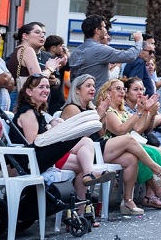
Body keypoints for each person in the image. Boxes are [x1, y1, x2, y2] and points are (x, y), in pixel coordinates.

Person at [13, 74, 114, 213]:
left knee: (84, 151)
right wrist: (53, 130)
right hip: (30, 160)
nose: (46, 90)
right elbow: (34, 142)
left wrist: (51, 125)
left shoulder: (37, 112)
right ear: (29, 92)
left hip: (42, 156)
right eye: (41, 87)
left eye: (48, 87)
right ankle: (80, 207)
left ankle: (81, 204)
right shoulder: (28, 112)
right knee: (84, 147)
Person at [94, 78, 161, 213]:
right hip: (107, 149)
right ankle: (159, 174)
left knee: (133, 159)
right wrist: (139, 113)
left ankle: (128, 201)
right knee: (131, 141)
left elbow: (138, 128)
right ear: (107, 92)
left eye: (123, 89)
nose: (122, 91)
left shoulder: (122, 111)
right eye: (118, 89)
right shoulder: (108, 110)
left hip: (124, 149)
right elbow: (121, 130)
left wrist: (147, 112)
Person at [67, 16, 142, 90]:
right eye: (104, 27)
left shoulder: (75, 52)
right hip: (96, 99)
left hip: (78, 99)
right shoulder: (100, 49)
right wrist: (138, 41)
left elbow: (73, 80)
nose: (106, 30)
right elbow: (129, 56)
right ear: (97, 30)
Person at [120, 33, 156, 97]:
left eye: (153, 52)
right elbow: (134, 84)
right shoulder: (139, 62)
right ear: (140, 51)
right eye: (150, 52)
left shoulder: (136, 61)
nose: (152, 55)